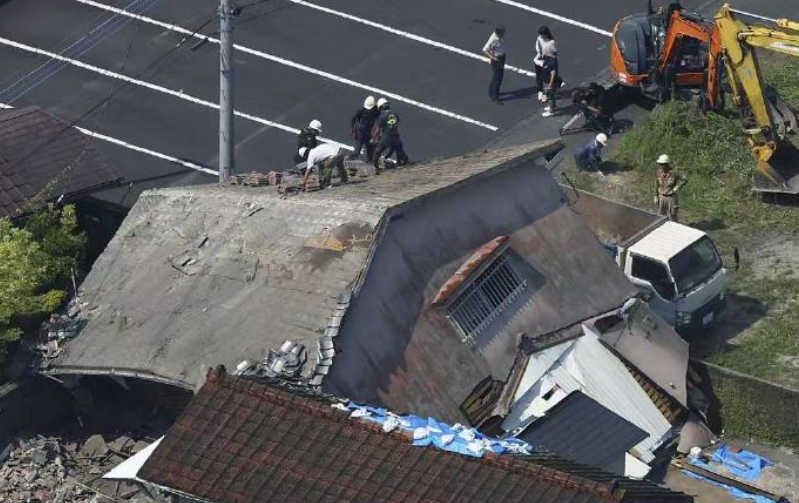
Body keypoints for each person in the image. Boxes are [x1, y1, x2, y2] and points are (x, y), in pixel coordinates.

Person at [371, 98, 409, 170]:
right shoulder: (395, 114)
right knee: (400, 151)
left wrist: (373, 138)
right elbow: (396, 123)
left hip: (386, 137)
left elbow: (377, 130)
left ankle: (375, 167)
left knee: (377, 152)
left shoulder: (381, 117)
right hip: (396, 136)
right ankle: (404, 163)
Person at [654, 154, 687, 222]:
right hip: (661, 197)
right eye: (660, 164)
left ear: (667, 164)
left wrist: (678, 187)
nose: (660, 166)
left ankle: (675, 229)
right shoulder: (658, 172)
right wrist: (655, 196)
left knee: (673, 215)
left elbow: (685, 179)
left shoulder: (674, 173)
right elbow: (656, 184)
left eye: (662, 164)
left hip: (671, 197)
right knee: (660, 215)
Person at [349, 96, 380, 162]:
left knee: (370, 148)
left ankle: (369, 161)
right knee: (358, 149)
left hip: (368, 131)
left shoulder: (376, 110)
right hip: (360, 130)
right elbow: (354, 118)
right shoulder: (361, 110)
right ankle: (349, 160)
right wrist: (352, 129)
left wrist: (377, 133)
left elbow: (378, 121)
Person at [483, 25, 506, 104]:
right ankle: (495, 96)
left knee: (497, 76)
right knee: (498, 78)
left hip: (501, 57)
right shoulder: (493, 40)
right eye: (503, 33)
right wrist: (493, 58)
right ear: (499, 33)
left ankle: (491, 92)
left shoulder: (498, 37)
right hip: (497, 59)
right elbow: (485, 50)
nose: (504, 34)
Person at [540, 30, 560, 117]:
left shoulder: (552, 61)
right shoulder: (548, 58)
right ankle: (553, 107)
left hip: (550, 82)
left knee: (550, 96)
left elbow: (553, 73)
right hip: (547, 81)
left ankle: (552, 110)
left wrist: (550, 85)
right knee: (550, 96)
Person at [533, 26, 553, 102]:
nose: (541, 36)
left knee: (545, 79)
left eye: (542, 34)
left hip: (546, 61)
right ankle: (540, 91)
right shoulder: (539, 38)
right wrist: (539, 53)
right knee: (539, 76)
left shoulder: (550, 41)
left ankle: (545, 95)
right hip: (538, 59)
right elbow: (537, 46)